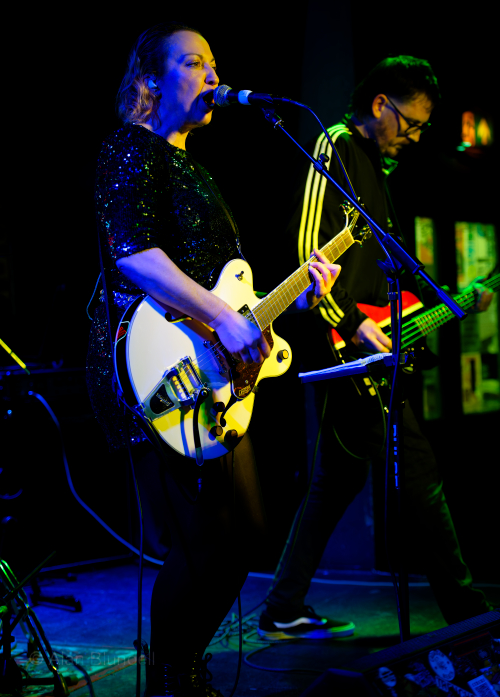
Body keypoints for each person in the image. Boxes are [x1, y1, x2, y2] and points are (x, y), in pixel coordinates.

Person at [86, 22, 340, 697]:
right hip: (150, 365)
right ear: (150, 81)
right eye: (194, 63)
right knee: (205, 540)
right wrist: (225, 318)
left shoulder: (196, 169)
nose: (212, 76)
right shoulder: (129, 148)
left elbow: (231, 294)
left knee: (244, 533)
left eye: (214, 63)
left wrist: (294, 299)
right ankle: (173, 679)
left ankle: (183, 667)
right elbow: (134, 254)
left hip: (212, 374)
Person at [258, 55, 493, 641]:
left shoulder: (378, 171)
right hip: (343, 348)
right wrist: (352, 323)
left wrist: (449, 300)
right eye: (411, 123)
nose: (415, 136)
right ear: (381, 105)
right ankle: (469, 618)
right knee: (420, 475)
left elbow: (390, 267)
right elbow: (306, 253)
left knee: (335, 483)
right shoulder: (336, 145)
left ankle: (283, 607)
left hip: (366, 347)